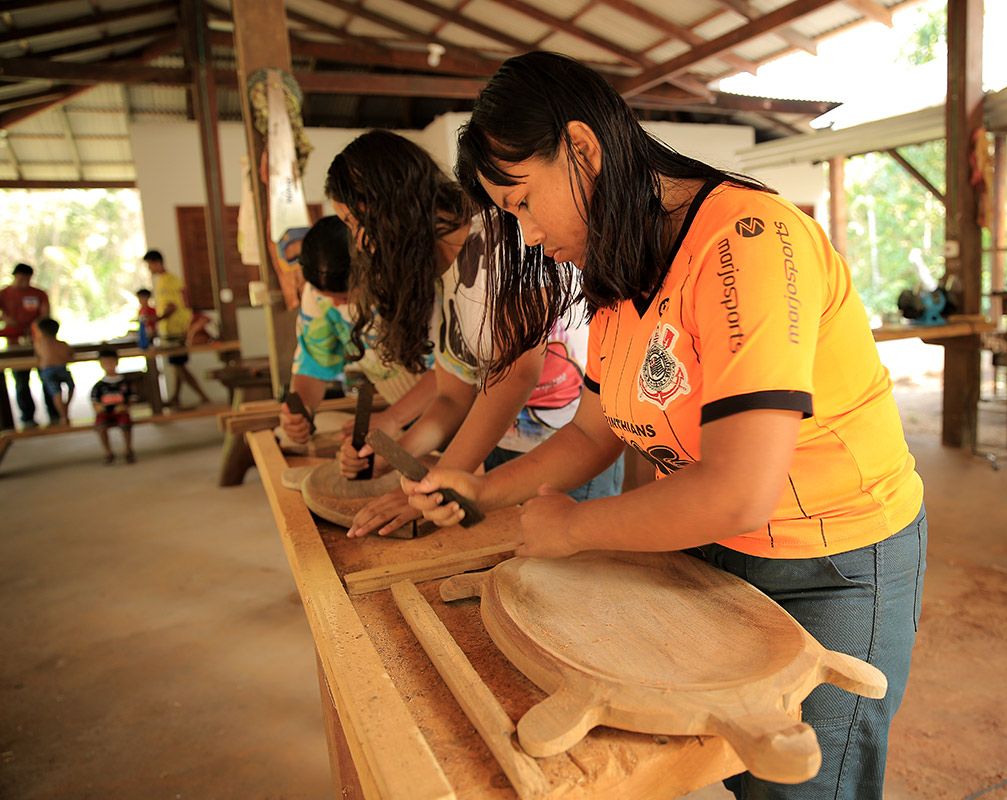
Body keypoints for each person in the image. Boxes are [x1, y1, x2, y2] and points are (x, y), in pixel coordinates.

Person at [402, 53, 927, 800]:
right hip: (712, 551)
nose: (528, 233)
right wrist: (478, 489)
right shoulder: (622, 267)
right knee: (732, 766)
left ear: (583, 150)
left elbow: (740, 490)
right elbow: (591, 434)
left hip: (829, 562)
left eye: (523, 203)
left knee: (803, 783)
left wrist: (575, 529)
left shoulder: (745, 240)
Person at [324, 130, 622, 539]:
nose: (357, 243)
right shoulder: (437, 272)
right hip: (503, 452)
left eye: (351, 222)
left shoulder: (504, 238)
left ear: (380, 207)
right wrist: (395, 455)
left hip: (567, 457)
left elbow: (516, 374)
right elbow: (452, 394)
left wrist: (437, 482)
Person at [278, 215, 435, 446]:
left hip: (457, 411)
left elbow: (451, 374)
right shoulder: (318, 294)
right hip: (406, 416)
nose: (336, 305)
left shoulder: (410, 284)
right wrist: (302, 411)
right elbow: (315, 364)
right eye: (328, 297)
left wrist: (393, 418)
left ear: (368, 270)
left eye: (344, 297)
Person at [143, 249, 211, 407]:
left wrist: (156, 319)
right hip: (169, 328)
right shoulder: (162, 281)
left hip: (177, 328)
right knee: (177, 364)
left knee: (178, 365)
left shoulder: (170, 280)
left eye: (149, 265)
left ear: (156, 262)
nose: (149, 269)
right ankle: (176, 397)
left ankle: (203, 396)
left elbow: (172, 307)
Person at [0, 262, 51, 427]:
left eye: (27, 279)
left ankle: (54, 413)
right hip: (14, 343)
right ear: (15, 276)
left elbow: (45, 315)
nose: (24, 282)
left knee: (47, 377)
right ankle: (27, 417)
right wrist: (6, 319)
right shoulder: (4, 294)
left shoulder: (38, 294)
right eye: (21, 279)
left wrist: (37, 327)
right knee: (21, 381)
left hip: (38, 342)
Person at [91, 348, 136, 464]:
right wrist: (100, 408)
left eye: (110, 362)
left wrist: (124, 407)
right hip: (105, 413)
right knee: (100, 425)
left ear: (116, 361)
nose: (108, 365)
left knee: (126, 423)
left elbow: (131, 399)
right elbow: (95, 403)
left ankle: (128, 450)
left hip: (121, 412)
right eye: (105, 362)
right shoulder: (99, 386)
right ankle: (108, 452)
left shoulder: (125, 383)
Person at [32, 317, 74, 426]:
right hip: (62, 369)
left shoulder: (39, 344)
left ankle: (63, 414)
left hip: (48, 371)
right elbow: (70, 355)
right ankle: (65, 409)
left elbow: (38, 357)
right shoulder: (62, 344)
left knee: (56, 393)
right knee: (69, 388)